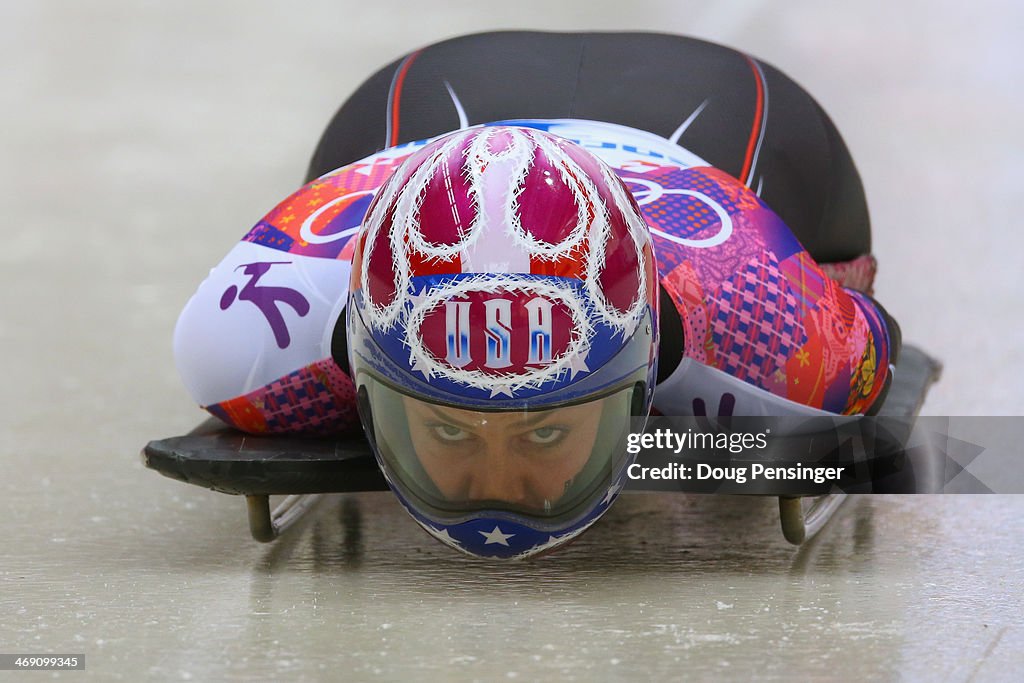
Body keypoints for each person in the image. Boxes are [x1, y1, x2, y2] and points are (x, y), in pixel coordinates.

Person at [173, 32, 899, 559]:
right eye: (451, 428)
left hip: (471, 97)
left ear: (641, 373)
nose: (501, 489)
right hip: (696, 100)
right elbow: (885, 342)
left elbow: (871, 333)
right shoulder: (237, 336)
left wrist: (825, 285)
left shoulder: (760, 318)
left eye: (544, 428)